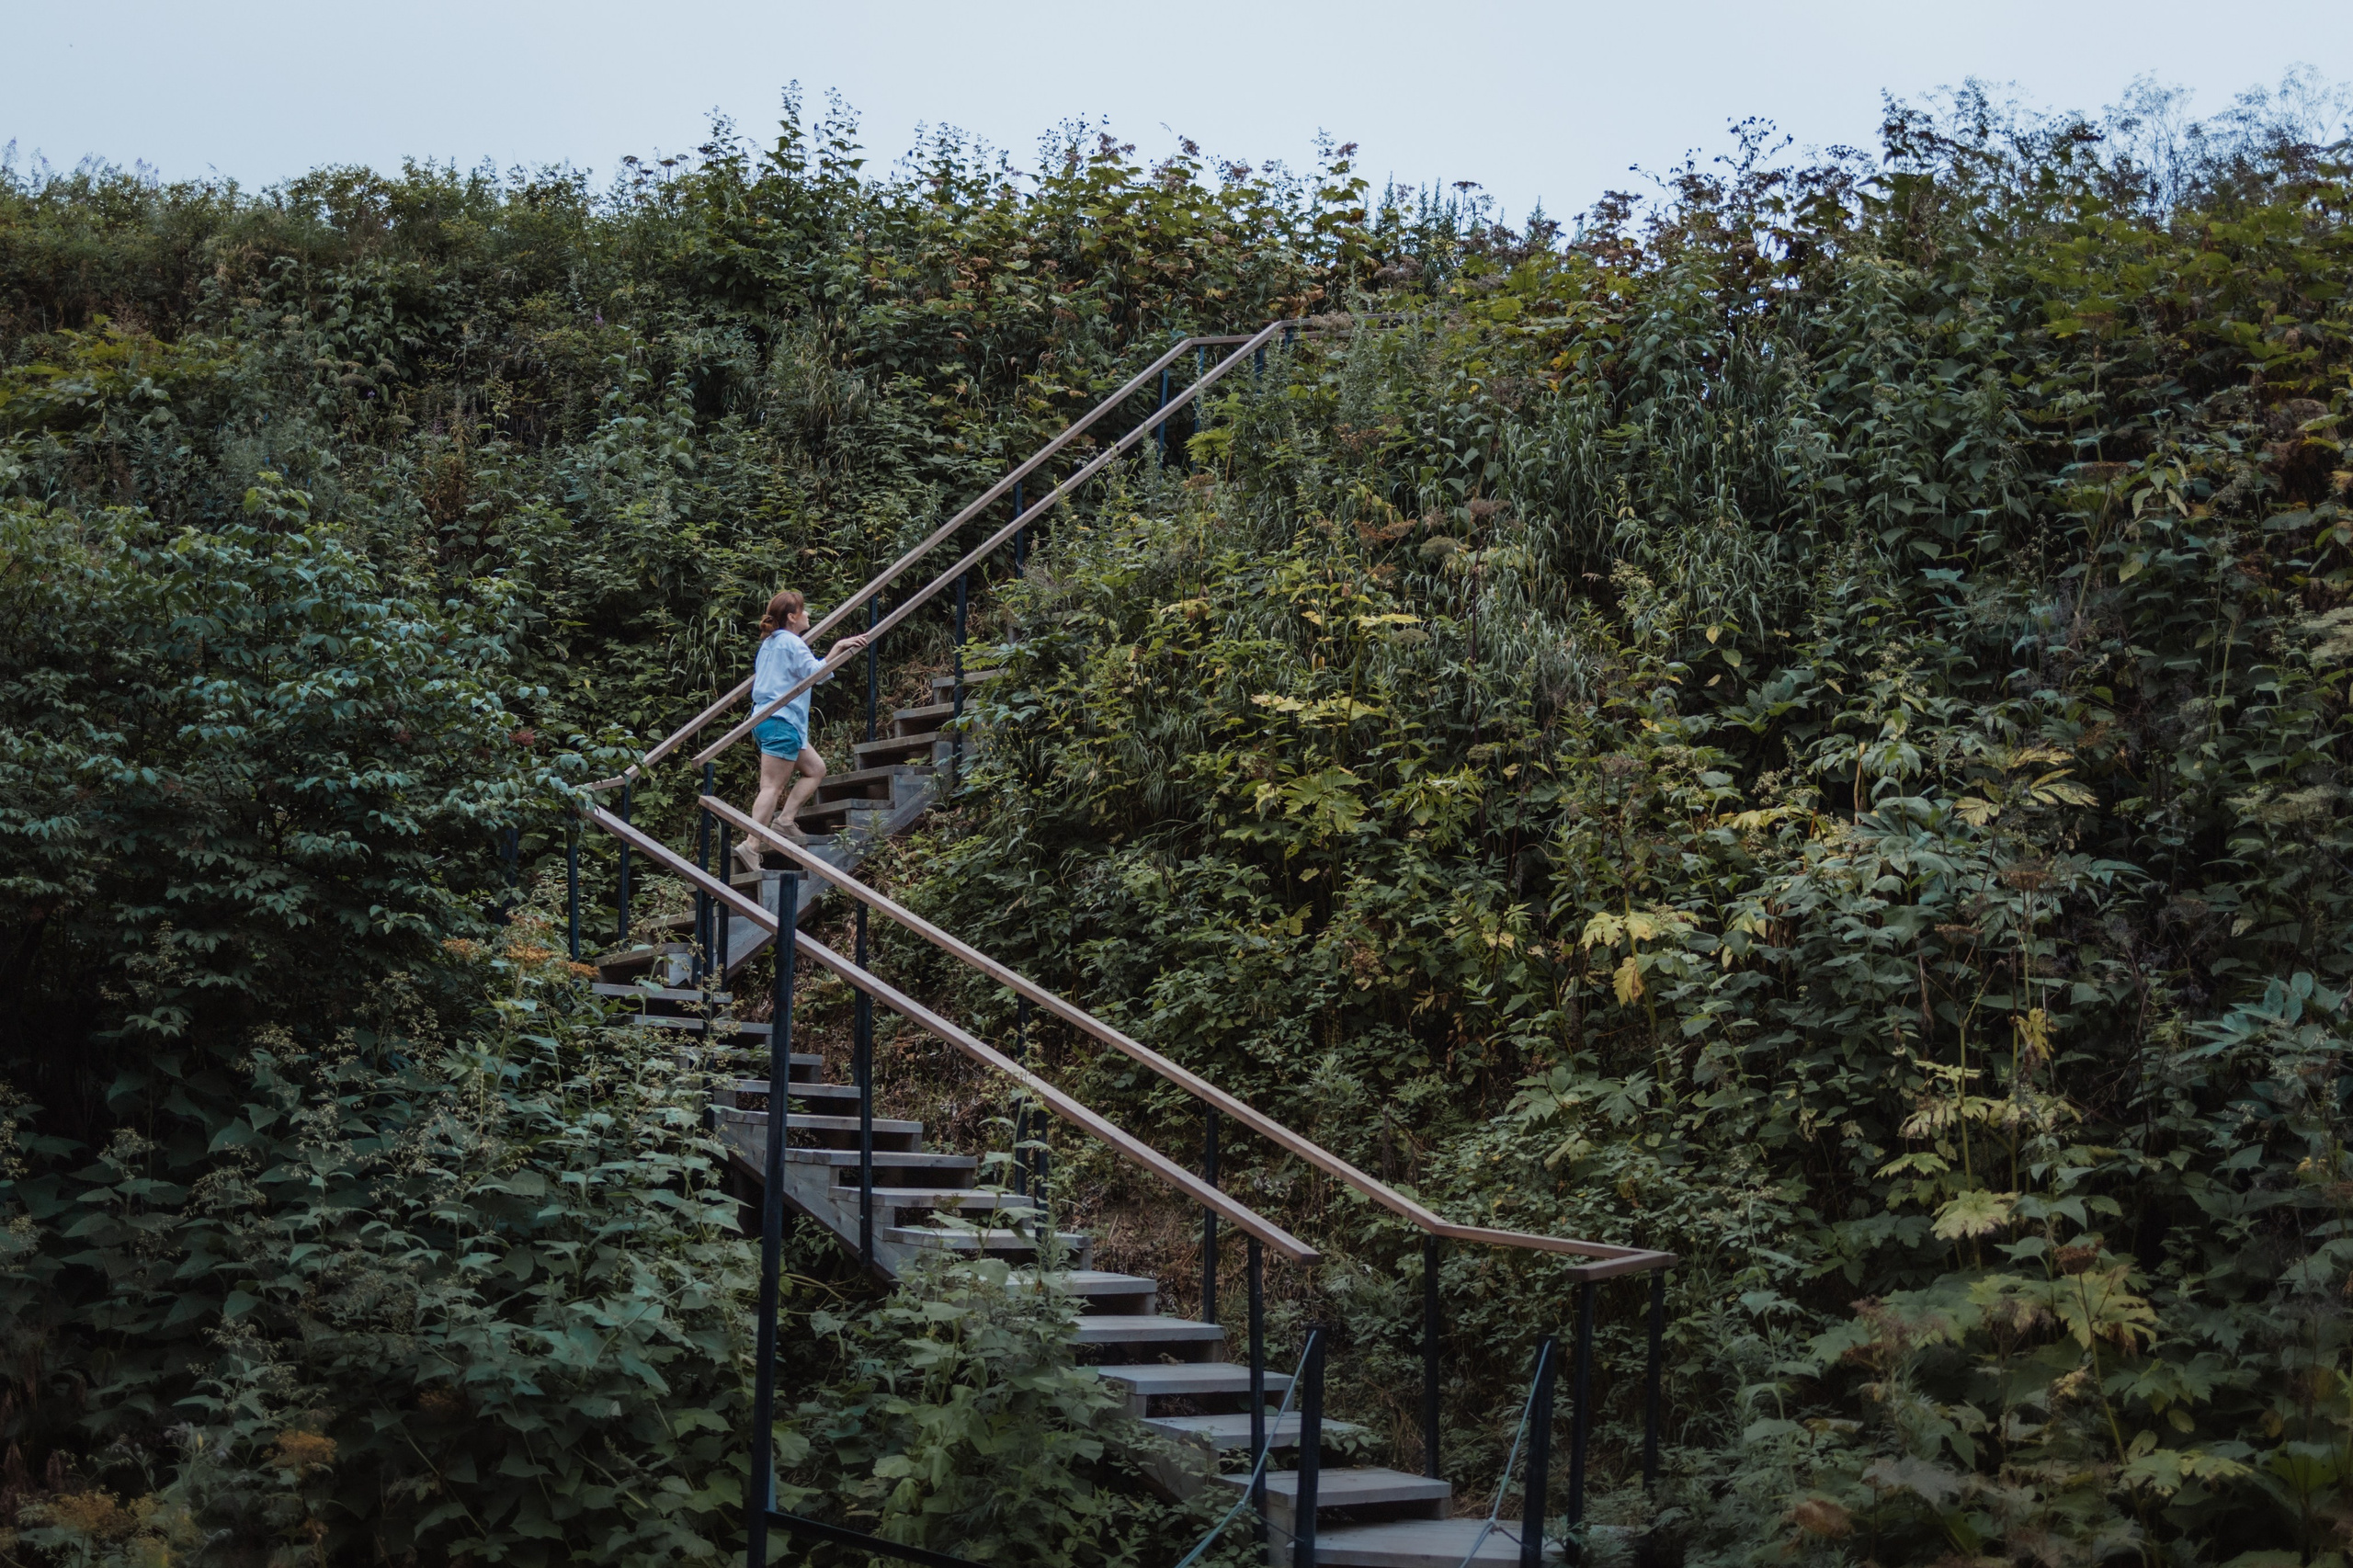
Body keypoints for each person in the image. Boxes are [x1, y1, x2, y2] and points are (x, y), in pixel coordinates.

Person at [738, 588, 869, 870]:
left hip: (771, 721)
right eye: (803, 610)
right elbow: (816, 675)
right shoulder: (792, 643)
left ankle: (785, 821)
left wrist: (835, 650)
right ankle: (751, 844)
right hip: (781, 721)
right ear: (792, 617)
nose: (808, 614)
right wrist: (838, 648)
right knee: (771, 787)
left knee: (816, 769)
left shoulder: (771, 643)